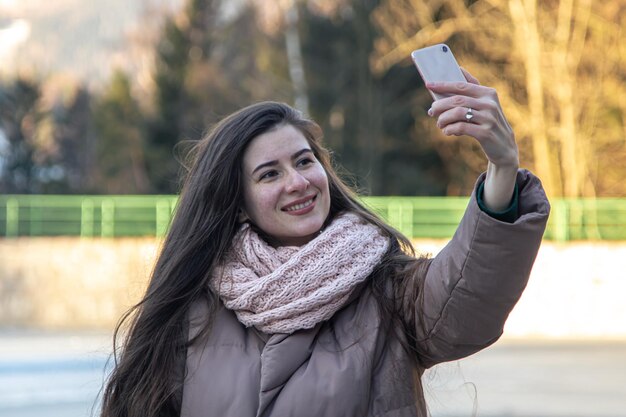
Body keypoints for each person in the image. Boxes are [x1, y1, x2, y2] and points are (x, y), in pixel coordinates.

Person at [100, 70, 550, 417]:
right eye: (270, 173)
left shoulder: (388, 292)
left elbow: (467, 299)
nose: (297, 182)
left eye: (304, 161)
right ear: (237, 203)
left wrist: (502, 169)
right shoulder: (190, 310)